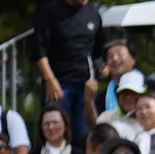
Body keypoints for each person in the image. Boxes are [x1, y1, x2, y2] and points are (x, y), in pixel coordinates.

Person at [33, 0, 104, 141]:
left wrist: (99, 75)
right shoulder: (50, 11)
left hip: (85, 87)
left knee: (84, 136)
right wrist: (50, 80)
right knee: (56, 133)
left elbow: (98, 52)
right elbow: (39, 51)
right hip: (59, 85)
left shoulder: (93, 13)